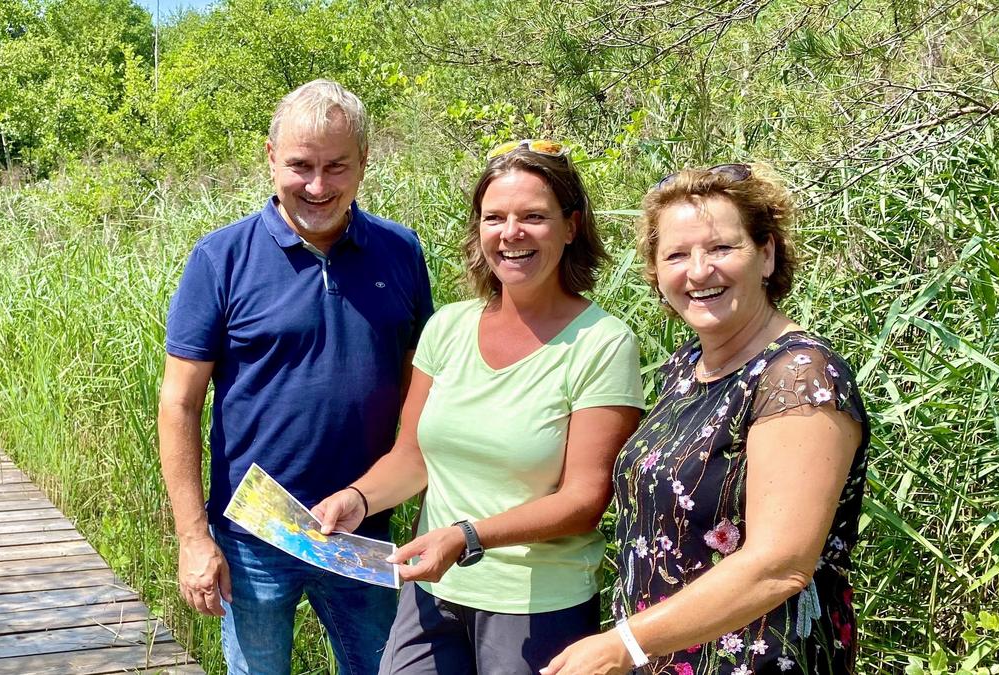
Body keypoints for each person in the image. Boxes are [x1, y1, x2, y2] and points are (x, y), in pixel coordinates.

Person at [312, 140, 646, 673]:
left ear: (571, 226)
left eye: (533, 217)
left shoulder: (602, 343)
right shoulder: (448, 326)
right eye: (495, 218)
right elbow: (412, 458)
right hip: (431, 589)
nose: (511, 234)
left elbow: (585, 498)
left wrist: (467, 537)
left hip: (535, 606)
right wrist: (358, 499)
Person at [542, 164, 869, 674]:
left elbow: (778, 567)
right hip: (667, 653)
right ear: (655, 272)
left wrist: (622, 645)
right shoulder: (686, 366)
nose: (697, 271)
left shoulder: (800, 376)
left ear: (766, 254)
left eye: (720, 248)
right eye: (676, 254)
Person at [158, 79, 434, 675]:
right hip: (255, 535)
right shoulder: (220, 258)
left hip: (365, 531)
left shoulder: (401, 252)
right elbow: (179, 404)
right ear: (270, 158)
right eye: (300, 165)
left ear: (364, 162)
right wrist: (192, 537)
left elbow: (424, 388)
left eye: (336, 166)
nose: (316, 185)